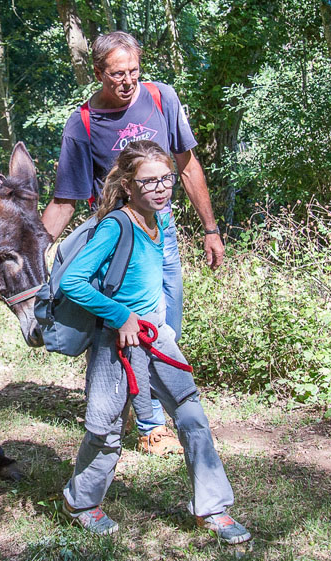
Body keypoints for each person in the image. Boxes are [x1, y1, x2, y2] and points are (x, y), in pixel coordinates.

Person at [58, 141, 250, 544]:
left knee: (192, 416)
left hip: (157, 337)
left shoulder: (159, 220)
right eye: (150, 181)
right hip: (117, 343)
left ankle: (212, 509)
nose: (161, 188)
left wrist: (162, 323)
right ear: (128, 185)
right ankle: (80, 502)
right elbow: (74, 281)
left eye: (166, 179)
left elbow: (156, 278)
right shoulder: (117, 225)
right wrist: (121, 315)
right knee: (106, 430)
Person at [43, 31, 225, 456]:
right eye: (116, 76)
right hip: (119, 236)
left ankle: (144, 403)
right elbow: (65, 198)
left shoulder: (162, 98)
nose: (127, 83)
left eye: (133, 72)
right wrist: (34, 250)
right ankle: (150, 426)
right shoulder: (82, 123)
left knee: (167, 328)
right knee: (140, 326)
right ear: (97, 73)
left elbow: (186, 164)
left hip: (163, 231)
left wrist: (211, 229)